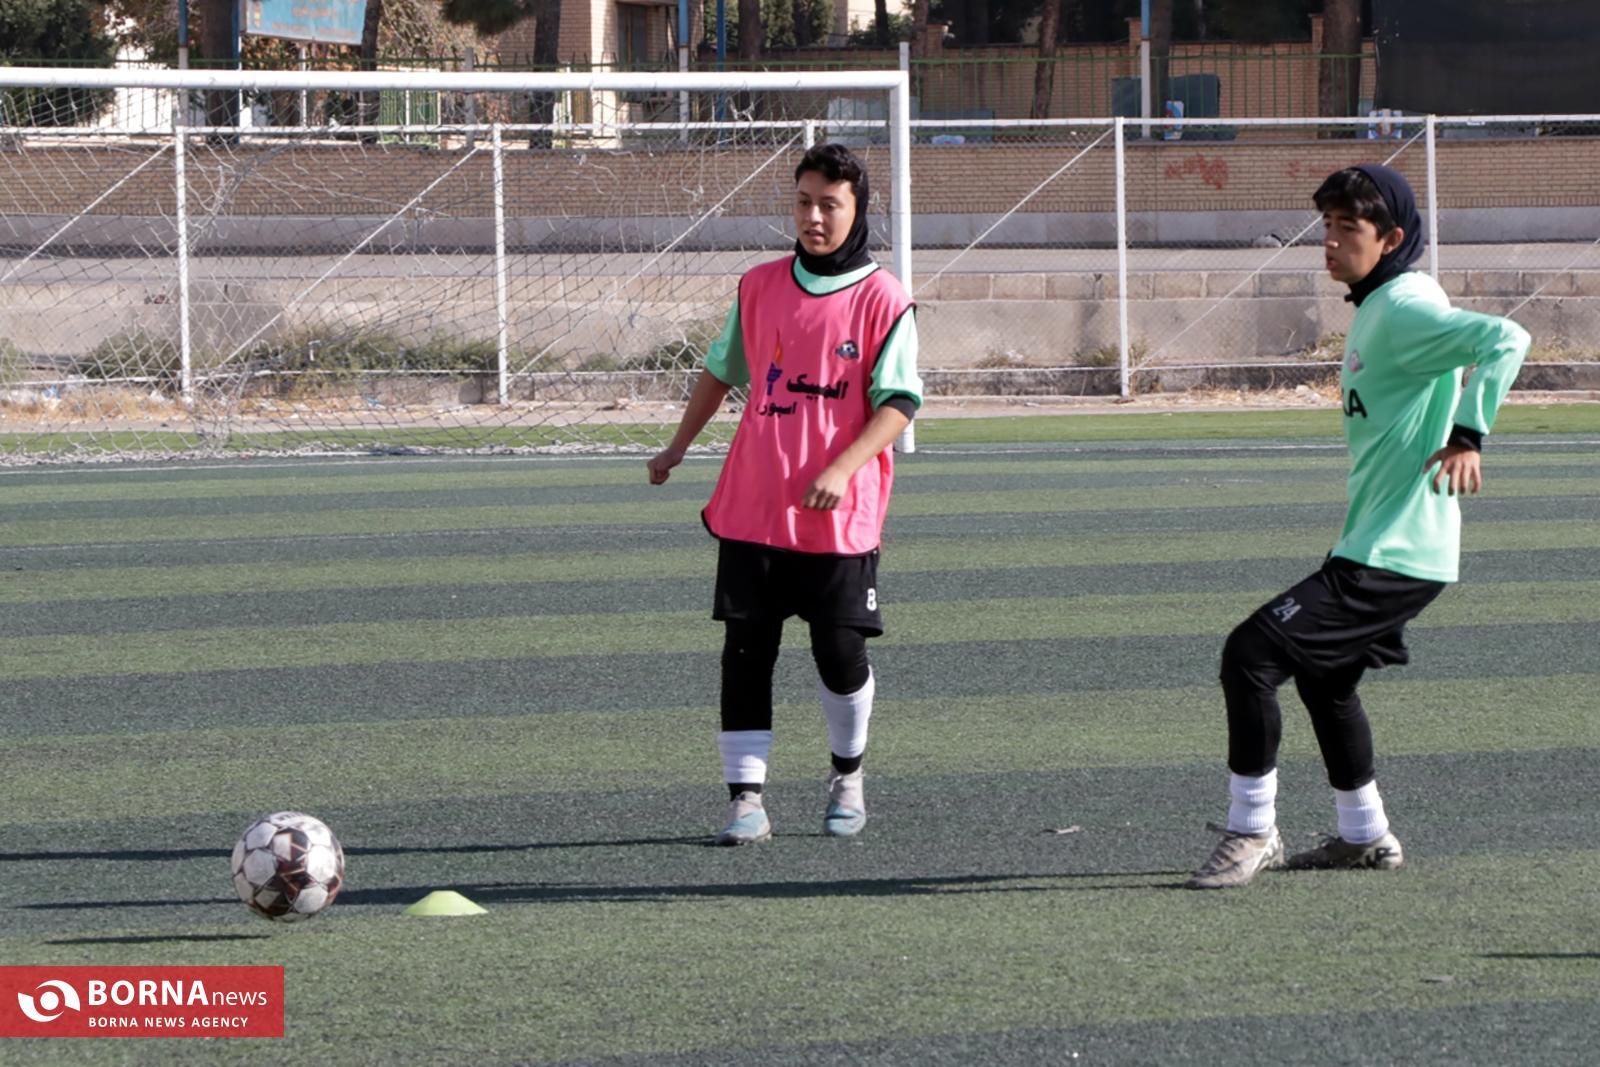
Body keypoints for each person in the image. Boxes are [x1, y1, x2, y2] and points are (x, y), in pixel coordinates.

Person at [1186, 163, 1530, 889]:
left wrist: (1469, 433)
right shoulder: (1384, 304)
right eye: (1328, 226)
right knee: (1324, 679)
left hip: (1397, 552)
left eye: (1349, 229)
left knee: (1249, 653)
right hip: (1382, 540)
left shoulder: (1402, 306)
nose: (1331, 242)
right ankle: (1364, 834)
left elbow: (1507, 337)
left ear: (1393, 239)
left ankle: (1251, 830)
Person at [646, 143, 922, 846]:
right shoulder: (760, 285)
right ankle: (746, 798)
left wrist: (842, 467)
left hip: (838, 517)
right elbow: (720, 370)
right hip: (754, 504)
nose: (814, 216)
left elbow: (897, 404)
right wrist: (679, 446)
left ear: (857, 210)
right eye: (803, 202)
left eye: (830, 204)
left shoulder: (882, 298)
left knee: (840, 654)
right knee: (746, 650)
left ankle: (847, 777)